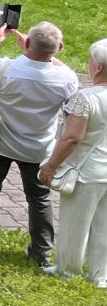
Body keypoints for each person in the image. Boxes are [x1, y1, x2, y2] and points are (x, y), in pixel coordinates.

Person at [0, 21, 77, 265]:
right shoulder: (66, 78)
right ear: (59, 47)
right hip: (39, 149)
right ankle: (41, 253)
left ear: (27, 43)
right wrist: (43, 52)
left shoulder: (5, 68)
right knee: (39, 199)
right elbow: (64, 74)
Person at [39, 37, 107, 285]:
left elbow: (71, 138)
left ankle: (67, 270)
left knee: (75, 222)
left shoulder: (85, 98)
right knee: (104, 225)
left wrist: (51, 165)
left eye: (90, 60)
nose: (88, 63)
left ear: (98, 67)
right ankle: (100, 275)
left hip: (86, 172)